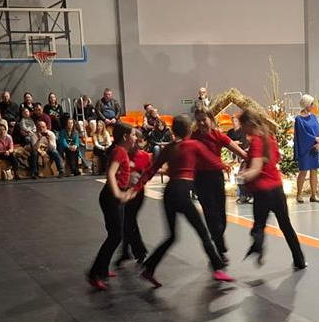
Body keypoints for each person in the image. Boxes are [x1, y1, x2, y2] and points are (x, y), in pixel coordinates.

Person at [132, 115, 234, 287]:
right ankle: (217, 268)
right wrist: (225, 166)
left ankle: (149, 268)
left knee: (171, 236)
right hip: (182, 192)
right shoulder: (194, 145)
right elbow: (213, 161)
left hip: (169, 192)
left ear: (174, 130)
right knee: (203, 233)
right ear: (189, 130)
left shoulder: (169, 148)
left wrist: (136, 188)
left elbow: (151, 169)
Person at [237, 109, 307, 270]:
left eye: (242, 125)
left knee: (258, 227)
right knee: (286, 226)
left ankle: (258, 246)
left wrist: (243, 176)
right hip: (277, 189)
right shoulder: (270, 138)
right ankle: (299, 260)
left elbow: (255, 169)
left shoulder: (256, 142)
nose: (241, 129)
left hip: (263, 191)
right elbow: (276, 158)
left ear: (248, 124)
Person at [191, 109, 247, 263]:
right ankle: (219, 248)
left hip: (216, 178)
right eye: (198, 120)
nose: (201, 123)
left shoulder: (218, 135)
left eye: (204, 119)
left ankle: (216, 239)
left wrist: (256, 159)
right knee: (210, 215)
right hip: (200, 179)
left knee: (221, 216)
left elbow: (240, 152)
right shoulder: (193, 138)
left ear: (211, 119)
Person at [86, 123, 135, 290]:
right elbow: (111, 173)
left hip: (112, 197)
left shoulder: (121, 152)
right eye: (133, 135)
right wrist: (118, 194)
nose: (135, 138)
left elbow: (120, 171)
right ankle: (94, 273)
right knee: (115, 236)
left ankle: (103, 269)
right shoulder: (119, 151)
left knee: (115, 235)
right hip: (111, 197)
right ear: (125, 137)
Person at [114, 135, 149, 268]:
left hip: (137, 193)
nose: (136, 145)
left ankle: (132, 252)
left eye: (139, 141)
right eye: (135, 141)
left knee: (128, 221)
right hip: (125, 191)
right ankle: (135, 251)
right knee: (128, 221)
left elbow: (147, 172)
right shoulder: (123, 154)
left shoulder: (144, 156)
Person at [294, 94, 319, 203]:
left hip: (314, 148)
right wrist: (314, 139)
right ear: (306, 105)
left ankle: (313, 195)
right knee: (303, 171)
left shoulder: (313, 117)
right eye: (311, 104)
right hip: (305, 148)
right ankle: (299, 194)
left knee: (314, 171)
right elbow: (302, 135)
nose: (313, 105)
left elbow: (318, 131)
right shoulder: (299, 119)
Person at [227, 113, 251, 204]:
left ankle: (248, 195)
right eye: (233, 121)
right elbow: (227, 142)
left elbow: (243, 143)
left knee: (243, 175)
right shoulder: (230, 132)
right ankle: (242, 195)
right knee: (239, 176)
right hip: (235, 155)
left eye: (236, 121)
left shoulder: (244, 132)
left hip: (243, 155)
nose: (234, 122)